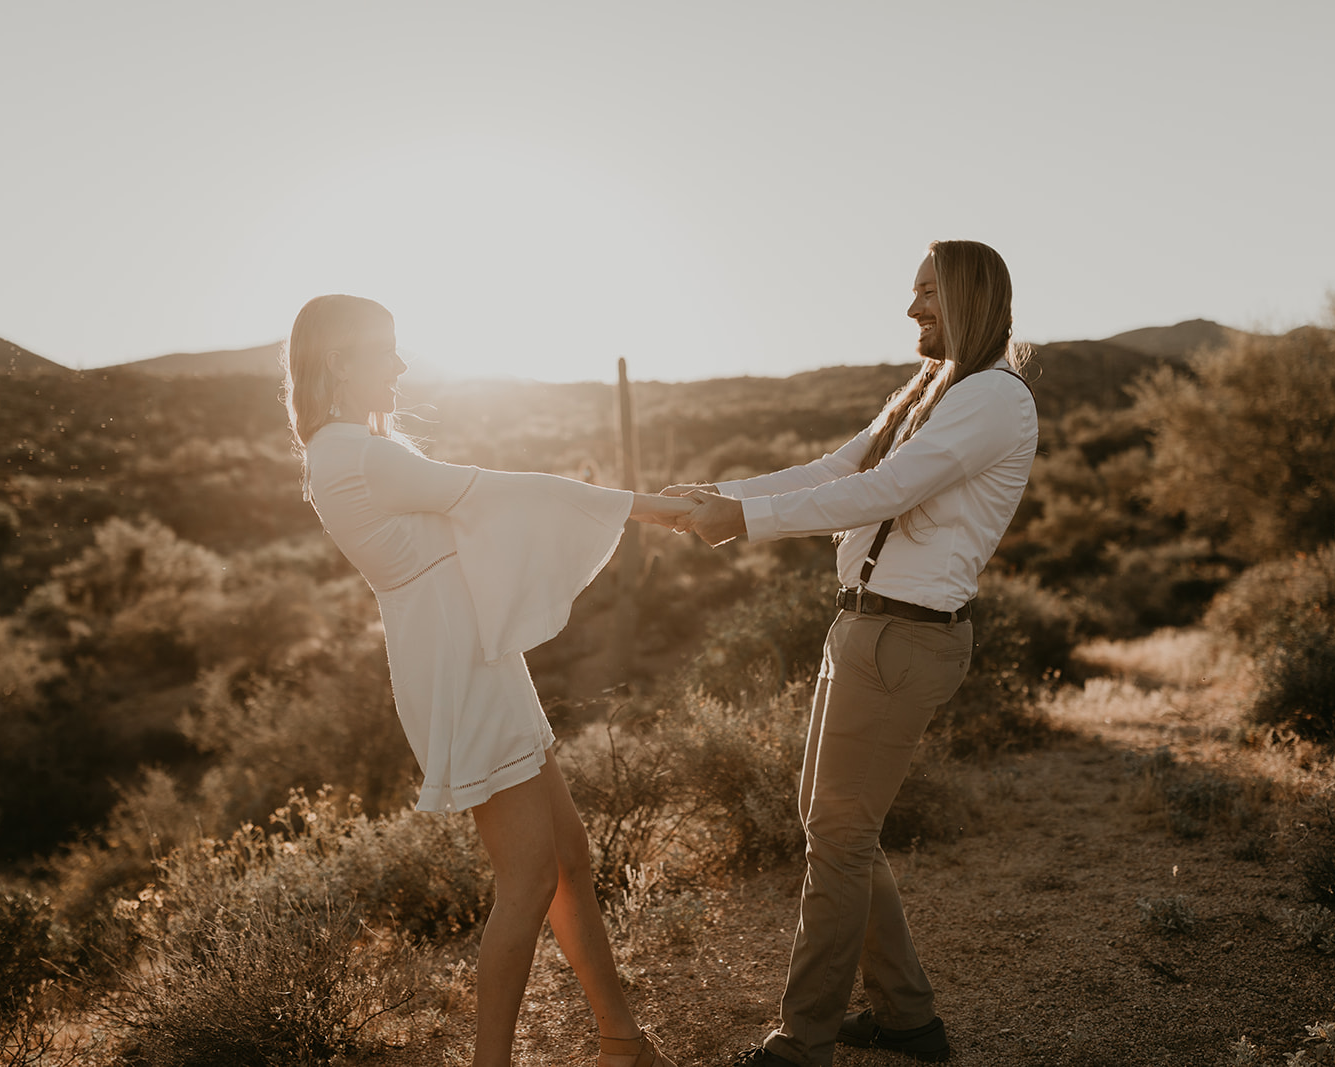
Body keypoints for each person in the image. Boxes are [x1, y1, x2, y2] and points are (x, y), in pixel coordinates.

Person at [283, 294, 691, 1067]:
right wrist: (656, 509)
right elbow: (513, 492)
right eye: (387, 350)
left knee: (568, 855)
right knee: (530, 877)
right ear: (340, 359)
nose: (401, 365)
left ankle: (622, 1040)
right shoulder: (355, 454)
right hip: (459, 668)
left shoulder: (347, 450)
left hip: (472, 658)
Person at [667, 240, 1038, 1066]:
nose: (912, 309)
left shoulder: (993, 400)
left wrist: (744, 524)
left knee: (837, 834)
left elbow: (887, 491)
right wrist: (715, 498)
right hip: (863, 628)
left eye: (928, 294)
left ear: (974, 298)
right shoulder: (929, 390)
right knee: (834, 826)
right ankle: (908, 1019)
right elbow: (837, 468)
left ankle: (804, 1041)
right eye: (912, 293)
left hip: (905, 636)